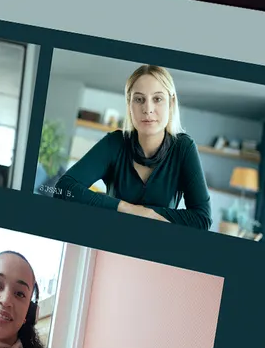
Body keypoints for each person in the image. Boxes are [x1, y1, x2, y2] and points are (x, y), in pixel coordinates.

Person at [49, 61, 206, 229]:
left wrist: (147, 213)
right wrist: (126, 208)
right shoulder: (114, 143)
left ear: (171, 102)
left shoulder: (183, 148)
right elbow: (63, 189)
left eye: (157, 99)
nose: (148, 109)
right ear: (129, 105)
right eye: (139, 99)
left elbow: (201, 219)